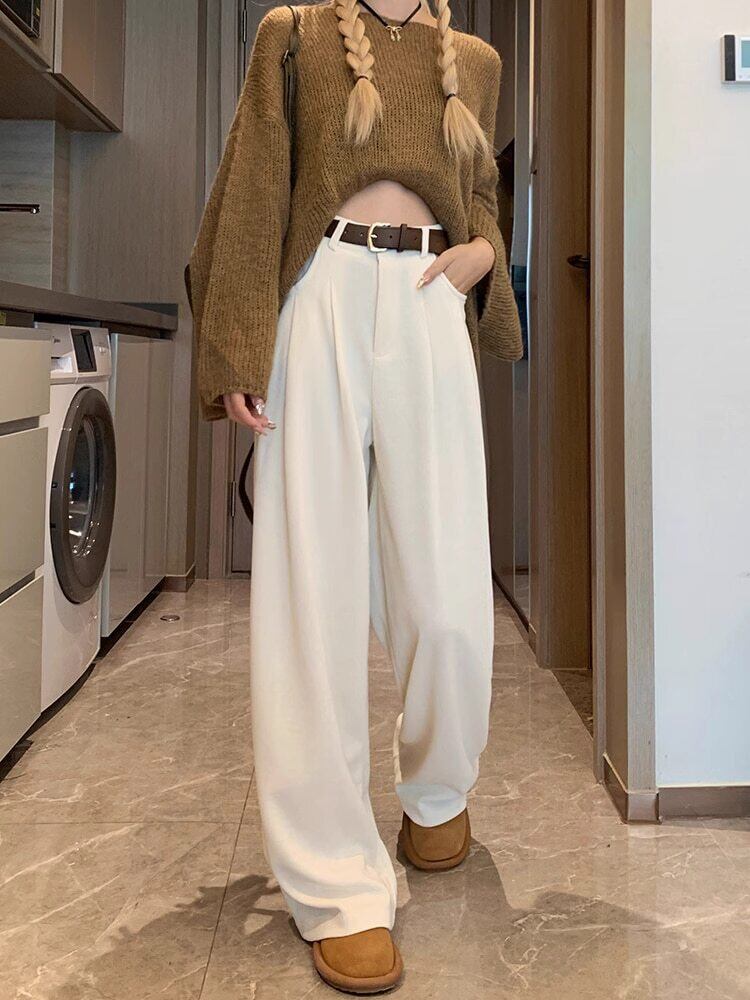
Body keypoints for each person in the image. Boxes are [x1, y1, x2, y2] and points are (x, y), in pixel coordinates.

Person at [189, 0, 522, 991]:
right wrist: (239, 346)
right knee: (314, 591)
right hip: (322, 295)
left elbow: (482, 194)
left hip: (430, 301)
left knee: (449, 593)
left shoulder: (476, 60)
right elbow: (256, 187)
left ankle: (437, 790)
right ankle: (336, 879)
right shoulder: (292, 35)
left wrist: (482, 253)